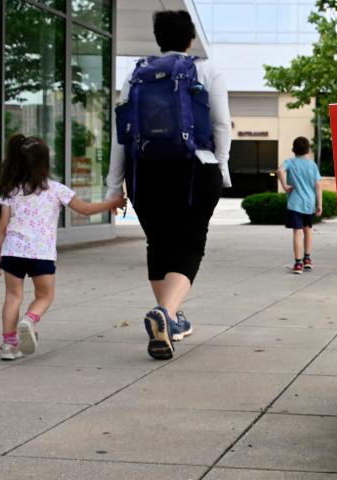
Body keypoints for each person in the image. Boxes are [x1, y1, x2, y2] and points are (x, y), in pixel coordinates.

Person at [106, 10, 232, 360]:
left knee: (158, 244)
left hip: (144, 172)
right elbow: (222, 126)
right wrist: (221, 169)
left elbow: (122, 136)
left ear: (158, 39)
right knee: (191, 243)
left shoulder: (136, 75)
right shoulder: (206, 70)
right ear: (190, 38)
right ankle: (166, 314)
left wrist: (113, 186)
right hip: (195, 168)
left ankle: (169, 321)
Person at [0, 134, 126, 361]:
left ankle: (8, 344)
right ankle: (30, 319)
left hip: (12, 251)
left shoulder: (11, 191)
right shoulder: (56, 189)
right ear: (45, 164)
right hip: (40, 253)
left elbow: (2, 226)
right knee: (44, 296)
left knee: (12, 296)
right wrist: (112, 202)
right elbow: (85, 209)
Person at [278, 137, 322, 274]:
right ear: (308, 150)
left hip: (295, 204)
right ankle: (307, 259)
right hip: (309, 204)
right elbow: (318, 186)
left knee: (297, 232)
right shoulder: (312, 165)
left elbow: (280, 171)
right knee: (307, 230)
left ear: (293, 150)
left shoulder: (290, 162)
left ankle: (298, 264)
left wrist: (284, 186)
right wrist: (319, 203)